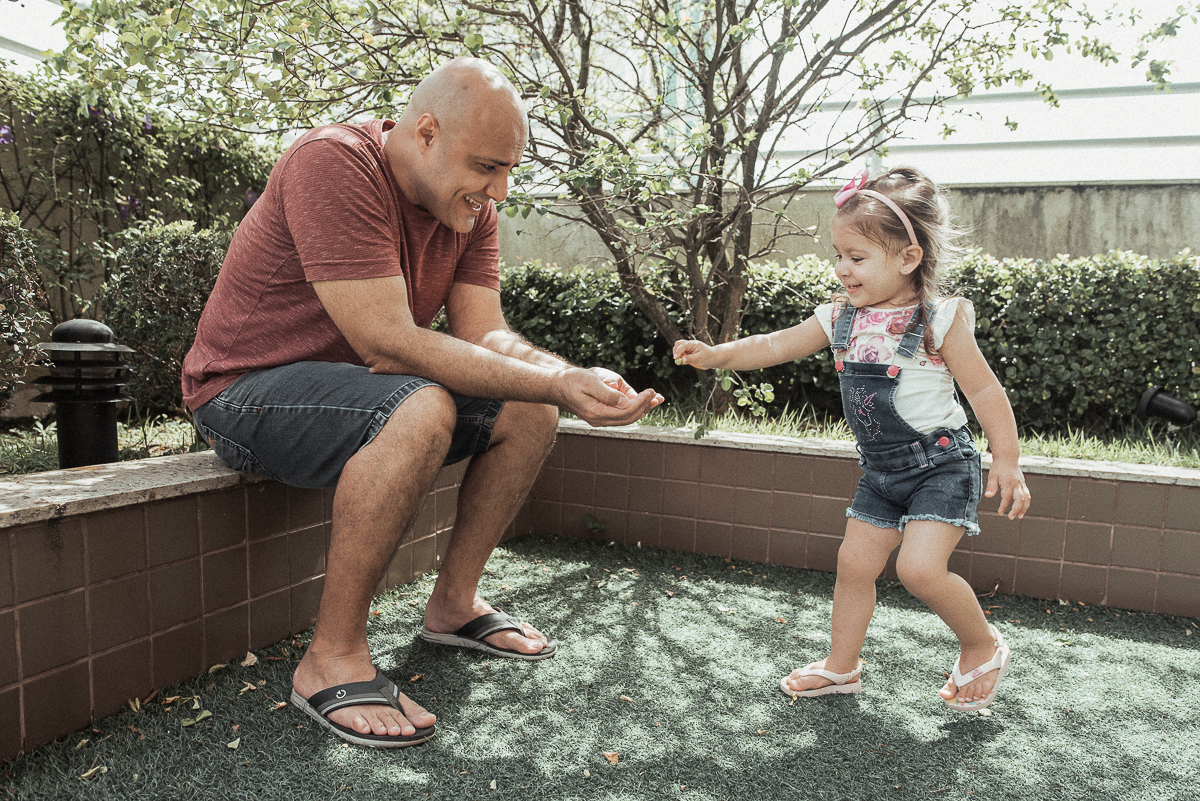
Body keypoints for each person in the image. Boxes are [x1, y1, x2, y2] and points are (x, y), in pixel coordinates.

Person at [181, 57, 663, 748]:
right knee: (421, 404)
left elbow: (485, 335)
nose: (497, 189)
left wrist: (567, 376)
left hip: (355, 396)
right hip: (244, 391)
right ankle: (331, 658)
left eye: (507, 171)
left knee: (527, 410)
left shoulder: (468, 209)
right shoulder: (334, 162)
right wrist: (556, 381)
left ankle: (453, 602)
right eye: (488, 166)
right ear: (427, 132)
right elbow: (387, 343)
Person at [672, 166, 1031, 712]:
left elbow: (982, 390)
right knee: (854, 565)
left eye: (856, 257)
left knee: (918, 569)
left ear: (908, 259)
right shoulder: (839, 317)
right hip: (882, 471)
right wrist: (718, 355)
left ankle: (982, 643)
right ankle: (842, 668)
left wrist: (1006, 459)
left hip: (941, 465)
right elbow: (773, 345)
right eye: (838, 255)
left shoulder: (939, 318)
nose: (842, 269)